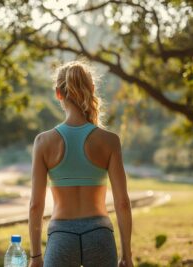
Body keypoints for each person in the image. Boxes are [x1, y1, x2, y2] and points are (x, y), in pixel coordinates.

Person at [28, 60, 133, 267]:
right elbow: (122, 203)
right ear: (92, 89)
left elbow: (35, 206)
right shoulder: (110, 141)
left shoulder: (43, 142)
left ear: (58, 93)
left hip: (61, 236)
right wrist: (127, 256)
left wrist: (35, 257)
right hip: (99, 235)